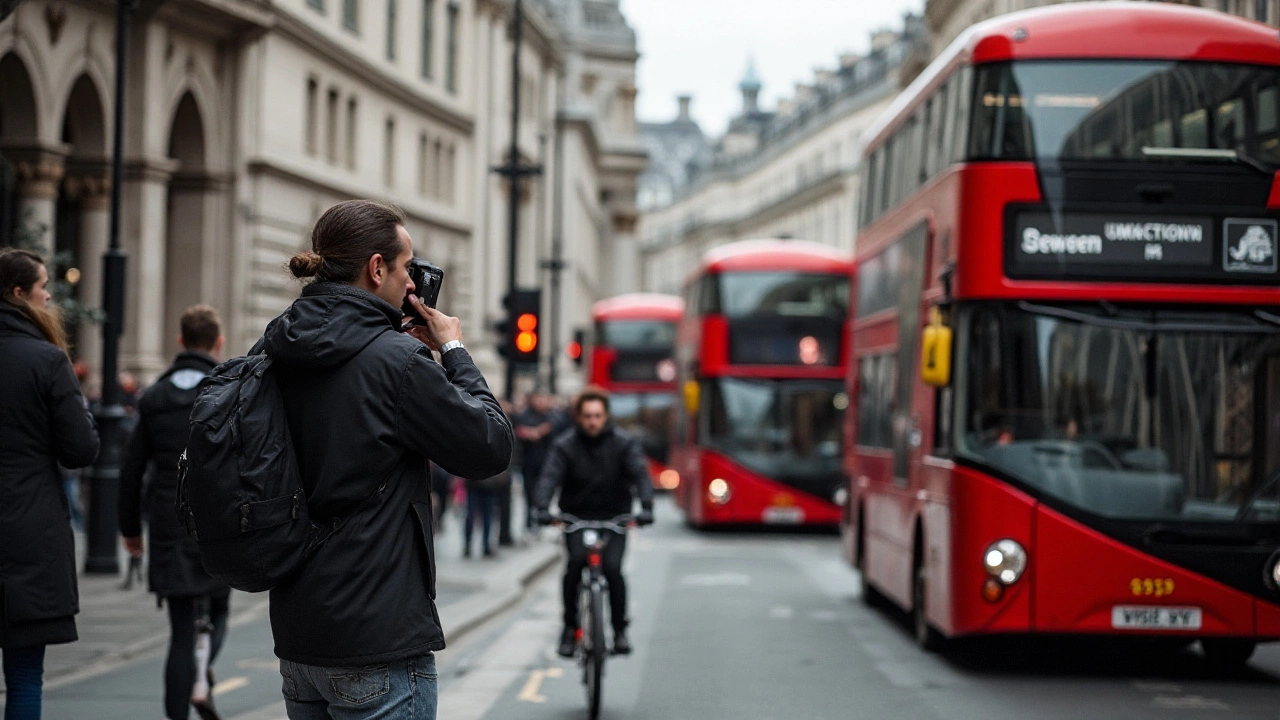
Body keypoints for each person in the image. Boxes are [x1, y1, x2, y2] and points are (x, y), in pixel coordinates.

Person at [259, 200, 512, 720]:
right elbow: (490, 446)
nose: (412, 287)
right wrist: (454, 351)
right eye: (405, 269)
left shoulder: (278, 344)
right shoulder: (397, 363)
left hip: (299, 636)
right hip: (378, 632)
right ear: (377, 269)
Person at [0, 249, 100, 720]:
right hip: (27, 532)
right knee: (23, 678)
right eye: (43, 286)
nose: (49, 294)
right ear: (19, 294)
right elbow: (80, 450)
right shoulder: (45, 359)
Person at [119, 304, 232, 720]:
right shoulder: (225, 390)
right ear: (217, 342)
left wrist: (130, 529)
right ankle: (203, 673)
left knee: (180, 632)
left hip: (168, 521)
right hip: (215, 521)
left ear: (180, 341)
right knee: (219, 607)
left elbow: (132, 470)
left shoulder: (155, 396)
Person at [534, 387, 655, 658]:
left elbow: (640, 474)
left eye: (597, 415)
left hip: (615, 518)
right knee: (575, 565)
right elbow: (549, 478)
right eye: (587, 415)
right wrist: (542, 508)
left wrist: (646, 507)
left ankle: (620, 631)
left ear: (606, 416)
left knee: (612, 569)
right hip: (576, 517)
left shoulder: (624, 443)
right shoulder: (564, 445)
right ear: (578, 417)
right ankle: (569, 629)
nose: (592, 421)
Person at [514, 391, 558, 531]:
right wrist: (532, 433)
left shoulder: (551, 416)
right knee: (528, 493)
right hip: (528, 462)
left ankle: (539, 520)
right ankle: (529, 522)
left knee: (542, 492)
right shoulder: (525, 415)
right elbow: (518, 430)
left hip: (544, 462)